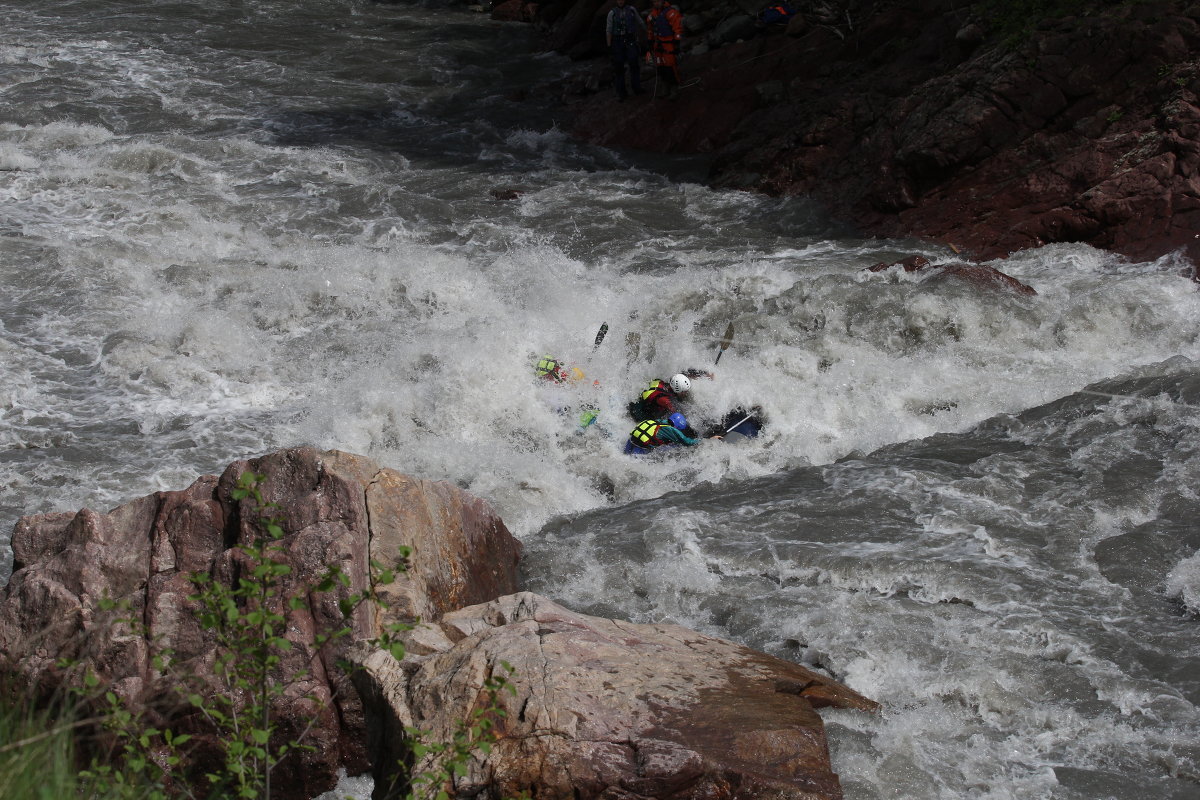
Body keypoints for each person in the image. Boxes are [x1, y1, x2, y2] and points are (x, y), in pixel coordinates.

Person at [606, 0, 646, 101]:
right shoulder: (612, 13)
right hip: (617, 42)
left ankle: (637, 88)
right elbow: (609, 30)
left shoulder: (632, 10)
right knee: (619, 67)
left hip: (630, 40)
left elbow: (640, 22)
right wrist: (609, 46)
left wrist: (648, 33)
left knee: (634, 63)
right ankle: (622, 93)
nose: (620, 1)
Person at [624, 412, 717, 455]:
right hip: (640, 449)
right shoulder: (672, 430)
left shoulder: (658, 421)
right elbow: (688, 442)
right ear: (677, 427)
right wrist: (708, 440)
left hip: (630, 443)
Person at [645, 0, 683, 99]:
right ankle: (665, 87)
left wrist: (677, 41)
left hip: (668, 44)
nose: (656, 3)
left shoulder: (671, 12)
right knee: (660, 67)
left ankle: (675, 88)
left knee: (670, 66)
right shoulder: (651, 15)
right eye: (654, 2)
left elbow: (678, 27)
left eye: (658, 1)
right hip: (657, 45)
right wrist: (649, 41)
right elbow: (650, 30)